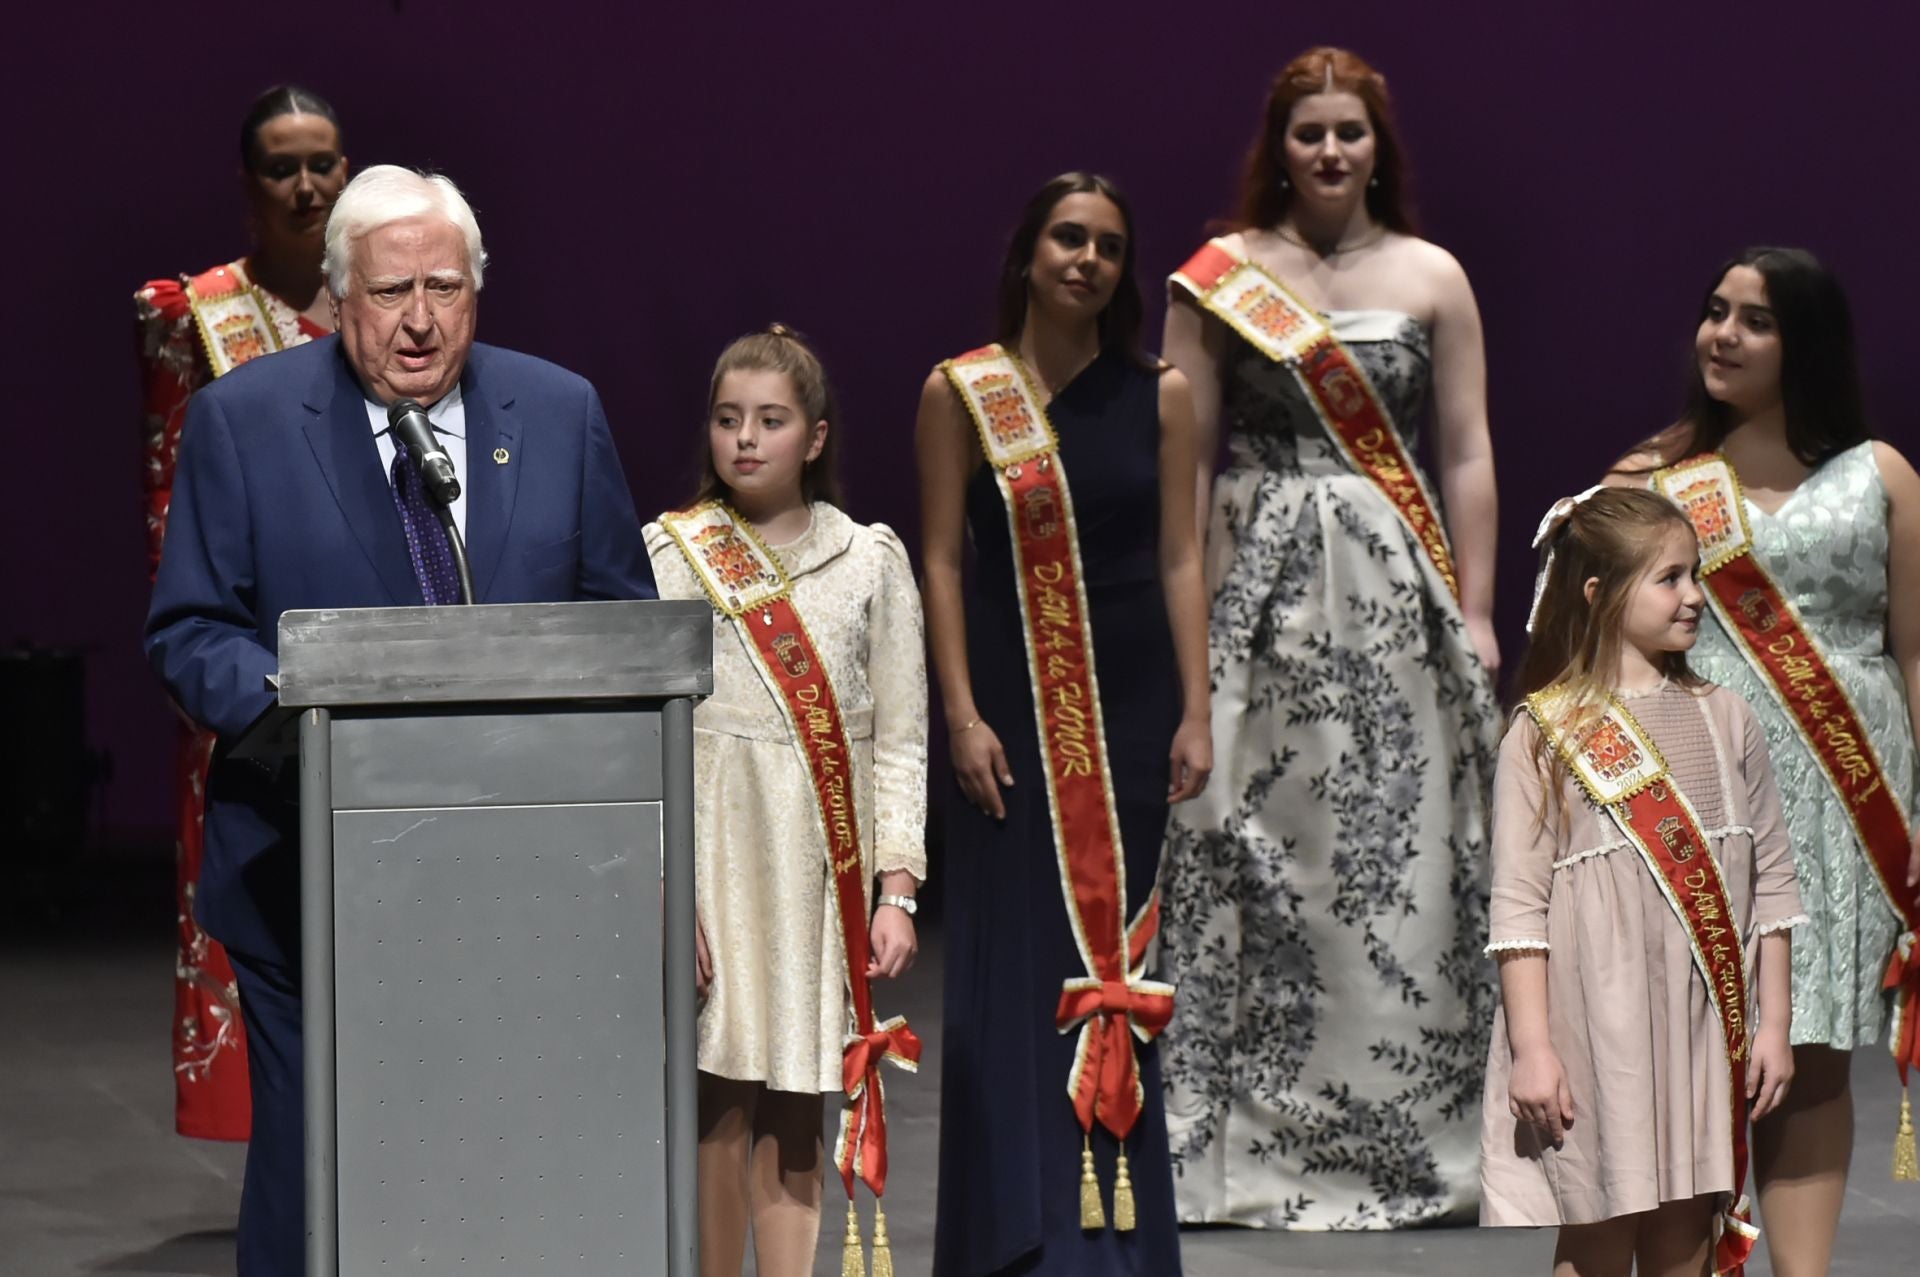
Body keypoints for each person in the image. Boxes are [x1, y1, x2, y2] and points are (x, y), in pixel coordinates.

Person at [144, 164, 657, 1276]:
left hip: (529, 872)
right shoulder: (247, 421)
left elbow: (624, 620)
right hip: (310, 869)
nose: (420, 320)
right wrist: (299, 702)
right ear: (339, 297)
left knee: (502, 1161)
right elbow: (190, 629)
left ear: (478, 289)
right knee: (319, 1160)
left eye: (445, 287)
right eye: (390, 292)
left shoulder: (559, 411)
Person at [1155, 45, 1502, 1227]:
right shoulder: (1218, 276)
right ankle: (1242, 1151)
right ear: (1279, 145)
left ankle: (1417, 1146)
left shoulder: (1433, 273)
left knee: (1395, 861)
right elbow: (1182, 471)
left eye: (1350, 131)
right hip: (1260, 590)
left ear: (1377, 145)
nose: (1331, 151)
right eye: (1310, 132)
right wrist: (1189, 648)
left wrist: (1481, 608)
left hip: (1396, 592)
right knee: (1263, 852)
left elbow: (1464, 451)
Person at [921, 172, 1212, 1275]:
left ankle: (1115, 1246)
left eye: (1108, 246)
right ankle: (1014, 1235)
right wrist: (959, 712)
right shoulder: (961, 392)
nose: (1086, 259)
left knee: (1112, 968)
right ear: (1029, 252)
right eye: (1067, 238)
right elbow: (943, 560)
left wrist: (1197, 706)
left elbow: (1180, 554)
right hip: (1007, 709)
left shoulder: (1163, 393)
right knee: (1013, 970)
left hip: (1133, 712)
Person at [1607, 247, 1920, 1273]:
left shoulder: (1881, 477)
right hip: (1708, 782)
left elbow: (1912, 649)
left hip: (1850, 792)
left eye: (1755, 319)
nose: (1722, 334)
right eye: (1713, 312)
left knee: (1816, 1050)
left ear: (1807, 343)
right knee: (1699, 1038)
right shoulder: (1654, 479)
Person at [643, 326, 927, 1277]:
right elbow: (645, 736)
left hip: (817, 866)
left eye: (771, 420)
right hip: (713, 848)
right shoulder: (671, 554)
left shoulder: (869, 561)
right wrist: (665, 886)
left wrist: (897, 888)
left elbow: (900, 735)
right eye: (728, 420)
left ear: (815, 436)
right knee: (718, 1093)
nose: (746, 440)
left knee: (799, 1096)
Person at [1481, 486, 1802, 1277]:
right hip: (1595, 1028)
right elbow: (1519, 911)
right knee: (1598, 1228)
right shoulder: (1542, 732)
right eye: (1669, 577)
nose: (1694, 595)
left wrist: (1772, 1023)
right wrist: (1532, 1048)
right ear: (1599, 594)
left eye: (1695, 574)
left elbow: (1775, 886)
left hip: (1699, 1032)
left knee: (1686, 1233)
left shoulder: (1729, 717)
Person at [133, 83, 348, 1142]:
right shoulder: (196, 315)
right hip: (253, 653)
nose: (306, 185)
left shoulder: (384, 302)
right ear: (248, 181)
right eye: (282, 166)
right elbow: (172, 494)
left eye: (323, 162)